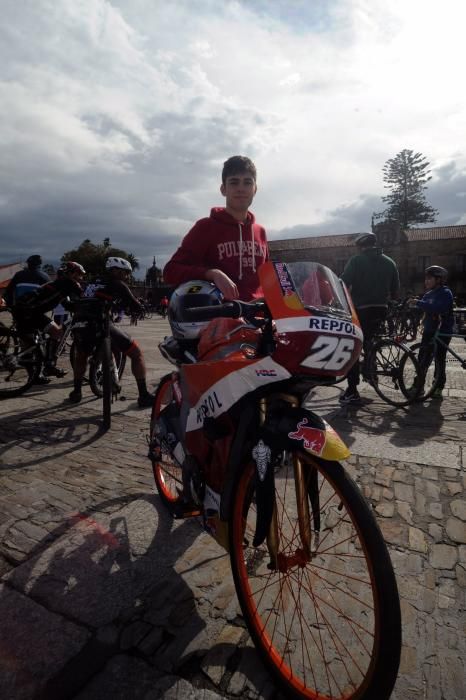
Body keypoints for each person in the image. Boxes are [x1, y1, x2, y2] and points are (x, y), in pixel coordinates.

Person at [163, 155, 269, 301]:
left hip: (259, 318)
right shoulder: (205, 227)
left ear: (255, 189)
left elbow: (267, 280)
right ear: (223, 189)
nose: (240, 188)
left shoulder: (260, 232)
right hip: (223, 317)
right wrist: (212, 273)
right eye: (234, 182)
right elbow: (171, 271)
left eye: (247, 183)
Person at [70, 257, 154, 407]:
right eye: (125, 273)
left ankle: (76, 391)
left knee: (81, 355)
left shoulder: (92, 281)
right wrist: (140, 309)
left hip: (79, 323)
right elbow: (134, 304)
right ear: (116, 271)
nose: (127, 276)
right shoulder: (118, 284)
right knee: (137, 354)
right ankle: (143, 395)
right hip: (100, 324)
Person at [340, 232, 400, 404]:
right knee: (369, 339)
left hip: (361, 310)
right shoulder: (390, 262)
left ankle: (352, 391)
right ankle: (371, 368)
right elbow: (395, 291)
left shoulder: (356, 260)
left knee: (354, 347)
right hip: (381, 309)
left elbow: (343, 283)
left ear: (361, 246)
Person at [11, 261, 85, 382]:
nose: (80, 278)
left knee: (30, 347)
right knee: (56, 332)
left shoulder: (58, 284)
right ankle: (49, 365)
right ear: (71, 273)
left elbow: (67, 305)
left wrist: (76, 307)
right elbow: (85, 296)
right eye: (79, 274)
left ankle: (35, 377)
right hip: (31, 312)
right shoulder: (70, 283)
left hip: (23, 311)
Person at [411, 265, 454, 399]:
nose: (426, 281)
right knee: (422, 358)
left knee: (439, 359)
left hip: (442, 331)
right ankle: (419, 385)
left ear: (439, 280)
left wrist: (418, 303)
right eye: (426, 279)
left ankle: (438, 386)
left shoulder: (446, 293)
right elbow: (423, 307)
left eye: (429, 279)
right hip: (429, 330)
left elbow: (439, 308)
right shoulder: (429, 294)